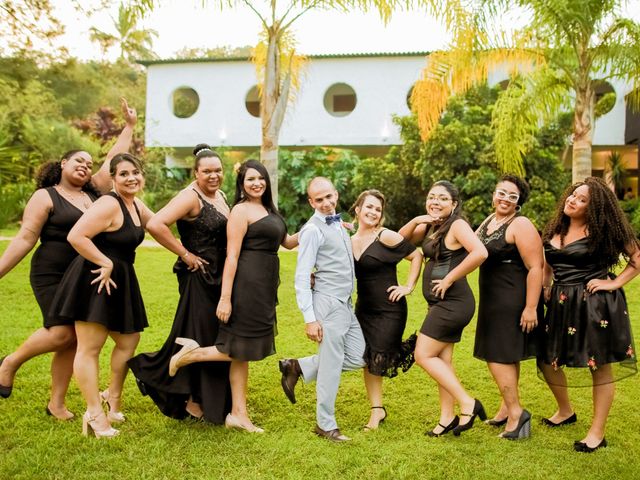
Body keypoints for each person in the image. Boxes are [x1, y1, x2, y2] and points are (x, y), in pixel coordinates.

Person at [0, 99, 136, 420]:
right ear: (62, 163)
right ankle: (10, 362)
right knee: (62, 333)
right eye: (78, 160)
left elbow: (113, 162)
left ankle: (56, 403)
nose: (85, 166)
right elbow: (24, 239)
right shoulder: (45, 196)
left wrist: (129, 127)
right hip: (52, 272)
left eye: (89, 164)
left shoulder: (94, 194)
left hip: (84, 274)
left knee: (74, 338)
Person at [168, 159, 297, 433]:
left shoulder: (268, 209)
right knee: (242, 346)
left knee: (243, 353)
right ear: (242, 183)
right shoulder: (239, 210)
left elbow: (287, 242)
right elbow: (232, 256)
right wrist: (225, 298)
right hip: (247, 284)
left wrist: (322, 223)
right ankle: (192, 355)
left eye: (260, 178)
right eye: (251, 179)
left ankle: (238, 414)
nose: (257, 183)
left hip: (265, 285)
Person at [49, 153, 153, 438]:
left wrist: (188, 251)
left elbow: (160, 224)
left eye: (135, 172)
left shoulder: (135, 204)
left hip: (121, 278)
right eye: (123, 174)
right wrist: (105, 262)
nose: (131, 178)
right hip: (95, 277)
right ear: (113, 179)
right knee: (89, 348)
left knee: (129, 339)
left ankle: (112, 397)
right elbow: (76, 236)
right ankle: (94, 415)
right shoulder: (109, 202)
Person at [128, 145, 232, 423]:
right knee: (198, 335)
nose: (213, 175)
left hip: (218, 276)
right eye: (207, 171)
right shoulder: (190, 198)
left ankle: (195, 401)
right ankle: (154, 374)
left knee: (204, 336)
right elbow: (156, 224)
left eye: (218, 170)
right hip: (198, 276)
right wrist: (184, 253)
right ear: (196, 173)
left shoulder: (220, 195)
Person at [538, 177, 639, 452]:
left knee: (599, 365)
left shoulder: (603, 230)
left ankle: (597, 432)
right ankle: (565, 411)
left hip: (593, 304)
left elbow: (637, 258)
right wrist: (547, 284)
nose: (573, 200)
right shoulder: (556, 226)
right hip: (560, 303)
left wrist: (614, 282)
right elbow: (548, 261)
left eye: (582, 200)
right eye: (573, 195)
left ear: (594, 209)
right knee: (548, 359)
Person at [279, 176, 367, 443]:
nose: (326, 203)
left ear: (336, 194)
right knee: (331, 366)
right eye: (319, 200)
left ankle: (297, 367)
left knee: (361, 356)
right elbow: (301, 277)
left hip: (345, 302)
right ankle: (325, 424)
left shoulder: (339, 223)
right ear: (311, 202)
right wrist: (310, 319)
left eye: (329, 197)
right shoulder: (312, 230)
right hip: (327, 304)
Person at [399, 180, 487, 437]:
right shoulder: (430, 226)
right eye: (432, 197)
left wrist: (449, 278)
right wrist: (418, 219)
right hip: (438, 303)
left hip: (454, 303)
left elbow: (480, 253)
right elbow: (398, 242)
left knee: (423, 355)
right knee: (443, 361)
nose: (435, 202)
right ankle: (447, 418)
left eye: (442, 198)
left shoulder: (457, 225)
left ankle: (468, 403)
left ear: (454, 204)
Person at [473, 175, 543, 440]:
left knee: (497, 355)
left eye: (512, 196)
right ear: (494, 194)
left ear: (518, 203)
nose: (504, 199)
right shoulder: (489, 221)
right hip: (492, 299)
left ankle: (516, 414)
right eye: (501, 193)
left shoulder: (521, 224)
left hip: (512, 299)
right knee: (508, 354)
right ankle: (505, 409)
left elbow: (536, 266)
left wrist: (531, 307)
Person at [350, 189, 422, 430]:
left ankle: (425, 345)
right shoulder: (348, 241)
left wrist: (408, 286)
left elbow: (416, 255)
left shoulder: (385, 236)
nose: (373, 212)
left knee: (380, 356)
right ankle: (377, 410)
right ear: (358, 209)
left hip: (390, 309)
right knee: (368, 358)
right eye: (369, 207)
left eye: (378, 209)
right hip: (364, 309)